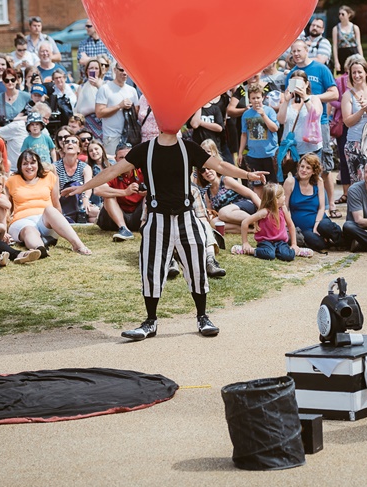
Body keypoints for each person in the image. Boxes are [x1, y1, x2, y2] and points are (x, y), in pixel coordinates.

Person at [64, 130, 265, 340]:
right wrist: (84, 188)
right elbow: (114, 170)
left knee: (197, 267)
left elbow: (221, 166)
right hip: (157, 218)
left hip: (186, 217)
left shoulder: (188, 147)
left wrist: (248, 175)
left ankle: (202, 317)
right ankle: (150, 321)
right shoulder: (145, 149)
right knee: (151, 270)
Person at [285, 39, 340, 215]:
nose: (296, 54)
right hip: (300, 124)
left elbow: (335, 93)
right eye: (293, 52)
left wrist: (312, 97)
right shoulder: (291, 75)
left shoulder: (320, 68)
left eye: (299, 50)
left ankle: (330, 203)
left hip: (319, 122)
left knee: (323, 166)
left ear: (307, 50)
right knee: (303, 168)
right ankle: (306, 205)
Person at [5, 150, 91, 256]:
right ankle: (40, 249)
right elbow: (7, 208)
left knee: (50, 209)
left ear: (38, 164)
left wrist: (59, 222)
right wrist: (4, 229)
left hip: (44, 219)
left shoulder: (48, 176)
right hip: (22, 220)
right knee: (29, 230)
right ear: (20, 166)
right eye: (25, 164)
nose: (29, 166)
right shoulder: (12, 180)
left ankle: (78, 245)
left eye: (32, 163)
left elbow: (56, 204)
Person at [283, 153, 342, 253]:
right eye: (302, 166)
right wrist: (288, 226)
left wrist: (316, 225)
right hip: (302, 228)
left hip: (319, 221)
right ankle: (327, 242)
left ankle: (343, 241)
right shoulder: (290, 182)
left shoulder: (318, 181)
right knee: (317, 243)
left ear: (314, 171)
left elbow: (321, 207)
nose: (304, 170)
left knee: (326, 226)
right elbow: (285, 207)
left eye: (308, 168)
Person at [340, 56, 367, 183]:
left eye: (359, 72)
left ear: (366, 72)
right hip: (354, 142)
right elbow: (347, 122)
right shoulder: (347, 95)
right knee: (357, 180)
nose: (356, 75)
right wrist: (361, 110)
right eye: (353, 72)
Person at [237, 83, 278, 201]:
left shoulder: (269, 111)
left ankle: (275, 207)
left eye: (258, 97)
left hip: (269, 154)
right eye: (253, 98)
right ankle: (259, 207)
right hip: (253, 155)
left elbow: (274, 128)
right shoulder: (246, 114)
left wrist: (264, 115)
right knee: (257, 185)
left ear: (263, 98)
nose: (256, 100)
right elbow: (244, 134)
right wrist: (240, 152)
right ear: (249, 99)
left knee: (272, 185)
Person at [238, 183, 297, 261]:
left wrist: (294, 244)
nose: (285, 197)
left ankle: (296, 251)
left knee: (288, 256)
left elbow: (291, 225)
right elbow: (245, 222)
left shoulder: (283, 209)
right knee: (270, 254)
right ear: (276, 200)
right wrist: (245, 242)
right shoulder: (265, 212)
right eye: (283, 196)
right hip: (266, 241)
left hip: (280, 241)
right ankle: (251, 250)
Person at [93, 62, 139, 154]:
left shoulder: (132, 90)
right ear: (115, 70)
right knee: (113, 164)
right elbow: (99, 113)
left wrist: (131, 108)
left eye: (127, 70)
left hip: (130, 136)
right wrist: (119, 106)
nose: (124, 73)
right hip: (112, 136)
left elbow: (137, 112)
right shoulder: (105, 89)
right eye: (121, 70)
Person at [53, 133, 92, 223]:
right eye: (67, 142)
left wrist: (85, 198)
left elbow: (88, 186)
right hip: (62, 201)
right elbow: (56, 190)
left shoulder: (85, 167)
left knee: (94, 212)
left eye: (73, 142)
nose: (70, 143)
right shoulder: (55, 167)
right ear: (63, 148)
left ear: (79, 149)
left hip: (80, 201)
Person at [332, 5, 363, 72]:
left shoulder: (355, 28)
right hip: (342, 53)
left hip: (353, 52)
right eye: (339, 14)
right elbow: (335, 46)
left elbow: (358, 44)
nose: (340, 16)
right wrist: (336, 62)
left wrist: (361, 58)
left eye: (343, 14)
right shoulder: (336, 29)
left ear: (349, 14)